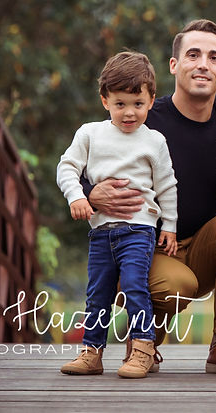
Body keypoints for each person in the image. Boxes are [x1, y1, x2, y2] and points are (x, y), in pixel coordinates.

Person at [84, 19, 216, 376]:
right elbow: (86, 162)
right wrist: (91, 193)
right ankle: (144, 339)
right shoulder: (145, 119)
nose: (202, 64)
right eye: (193, 54)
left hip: (202, 249)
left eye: (214, 58)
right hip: (145, 247)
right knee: (180, 286)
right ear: (173, 65)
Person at [57, 51, 178, 378]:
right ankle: (91, 353)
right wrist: (77, 196)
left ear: (151, 100)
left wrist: (170, 226)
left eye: (138, 104)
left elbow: (167, 185)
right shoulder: (90, 134)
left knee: (136, 287)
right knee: (97, 293)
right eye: (120, 103)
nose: (129, 112)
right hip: (101, 232)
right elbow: (66, 167)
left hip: (139, 231)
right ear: (105, 100)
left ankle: (142, 350)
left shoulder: (154, 140)